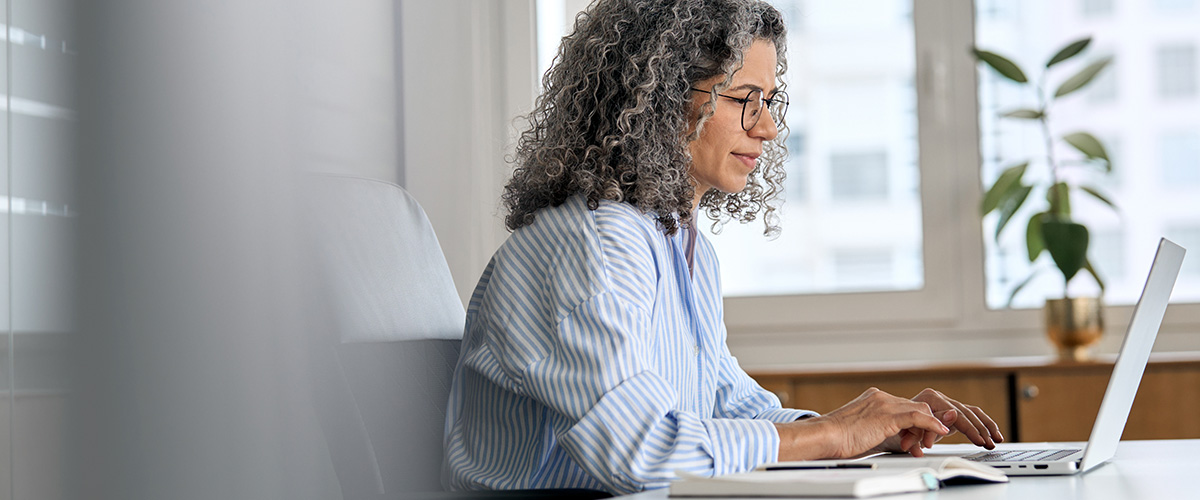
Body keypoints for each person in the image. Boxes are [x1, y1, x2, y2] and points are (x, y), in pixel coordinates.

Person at [442, 0, 1002, 495]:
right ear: (660, 99)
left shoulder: (678, 245)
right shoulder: (595, 246)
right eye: (745, 99)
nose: (768, 129)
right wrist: (834, 435)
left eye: (770, 102)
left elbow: (730, 406)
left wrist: (872, 424)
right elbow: (638, 452)